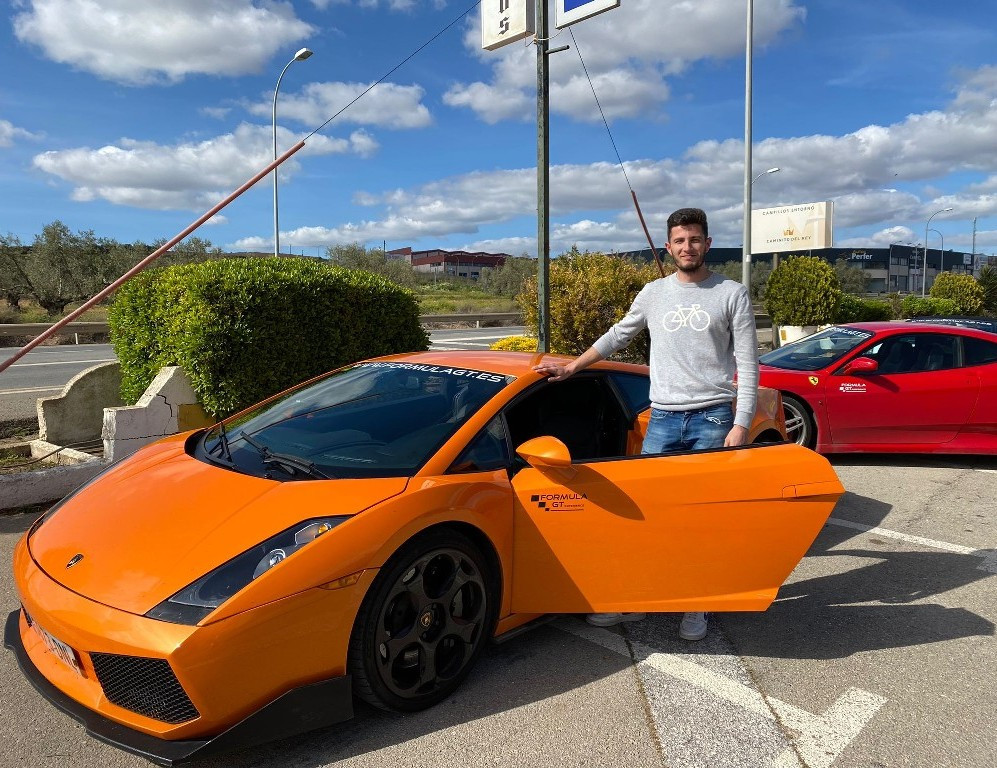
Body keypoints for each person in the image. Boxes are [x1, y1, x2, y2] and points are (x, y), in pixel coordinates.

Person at [532, 207, 759, 641]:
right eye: (680, 240)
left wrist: (741, 424)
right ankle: (637, 597)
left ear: (707, 244)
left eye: (695, 239)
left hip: (713, 418)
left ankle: (696, 604)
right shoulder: (653, 293)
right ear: (668, 247)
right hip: (663, 418)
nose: (688, 247)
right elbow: (619, 335)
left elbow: (748, 364)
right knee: (647, 516)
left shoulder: (732, 293)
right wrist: (572, 367)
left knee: (701, 518)